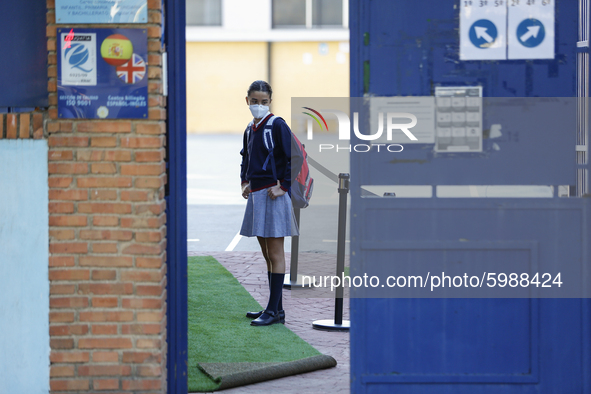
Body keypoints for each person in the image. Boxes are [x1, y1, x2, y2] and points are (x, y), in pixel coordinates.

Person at [239, 80, 302, 326]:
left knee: (275, 253)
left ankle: (274, 312)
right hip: (256, 194)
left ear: (270, 102)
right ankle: (275, 308)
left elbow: (294, 157)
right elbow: (245, 156)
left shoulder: (277, 125)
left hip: (274, 195)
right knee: (266, 253)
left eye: (263, 102)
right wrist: (244, 182)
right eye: (254, 101)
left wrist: (283, 186)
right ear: (247, 101)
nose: (258, 106)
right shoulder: (250, 128)